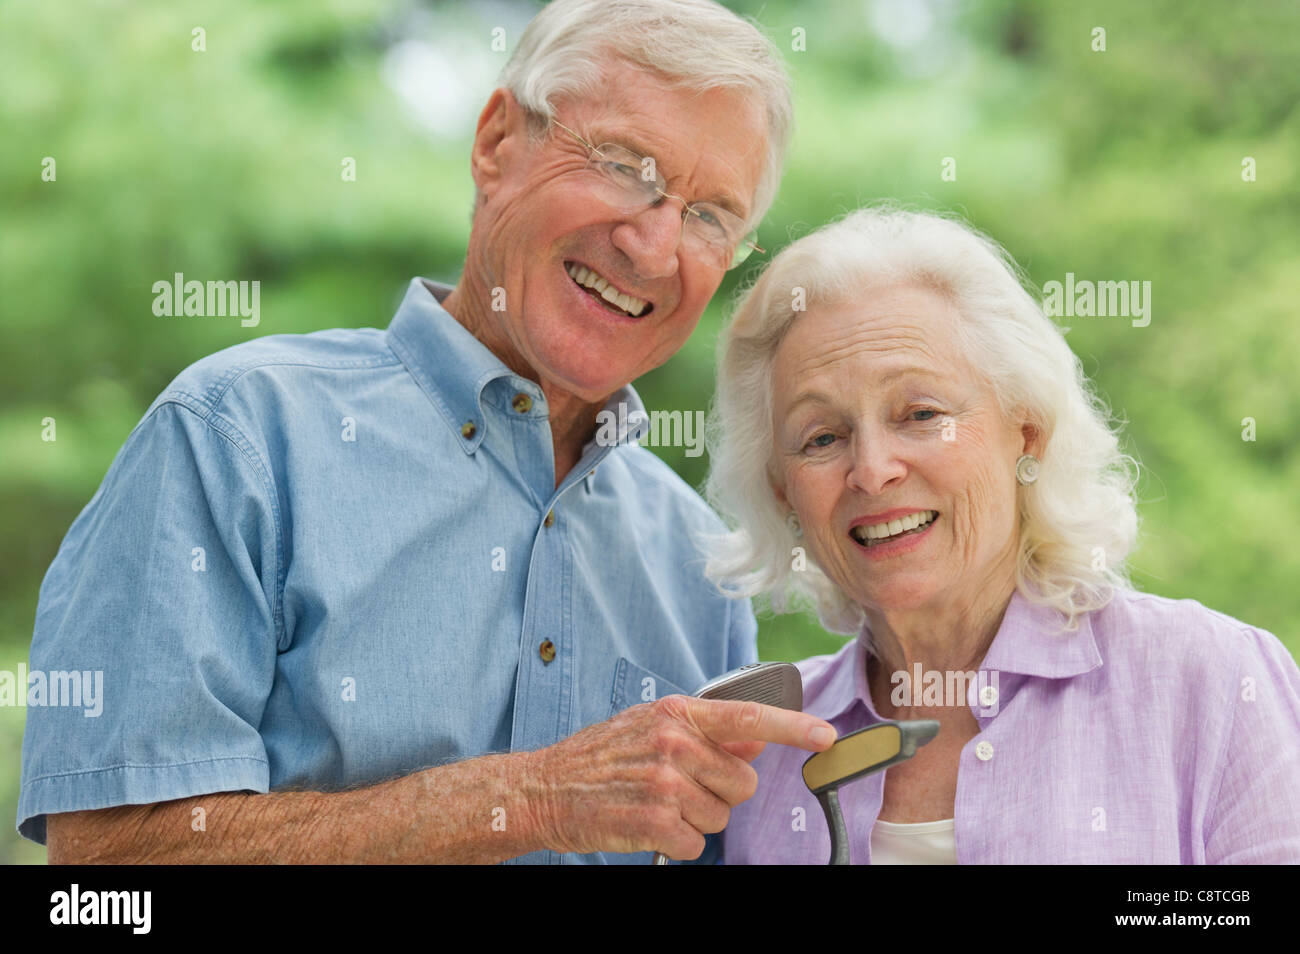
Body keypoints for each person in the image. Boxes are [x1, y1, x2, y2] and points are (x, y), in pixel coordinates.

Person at [18, 0, 836, 865]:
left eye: (710, 217)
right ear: (496, 143)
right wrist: (533, 800)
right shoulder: (238, 436)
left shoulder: (700, 562)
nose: (655, 245)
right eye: (626, 165)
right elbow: (108, 878)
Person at [705, 206, 1300, 863]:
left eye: (921, 413)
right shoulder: (757, 754)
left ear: (1027, 430)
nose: (872, 470)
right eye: (822, 437)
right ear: (783, 490)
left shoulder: (1211, 681)